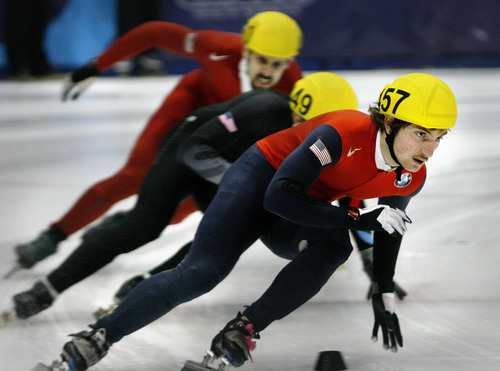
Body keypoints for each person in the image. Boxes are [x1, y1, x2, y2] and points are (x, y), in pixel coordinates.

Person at [40, 73, 457, 370]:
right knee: (201, 274)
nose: (431, 148)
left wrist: (382, 291)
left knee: (335, 246)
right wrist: (353, 213)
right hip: (259, 182)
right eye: (422, 134)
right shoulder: (341, 134)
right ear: (388, 121)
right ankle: (97, 337)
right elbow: (278, 196)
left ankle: (244, 328)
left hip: (301, 206)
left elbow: (387, 229)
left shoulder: (412, 172)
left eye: (440, 136)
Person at [13, 72, 358, 320]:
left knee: (230, 234)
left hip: (236, 171)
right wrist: (237, 184)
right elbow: (196, 147)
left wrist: (375, 265)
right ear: (296, 113)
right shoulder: (265, 109)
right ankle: (49, 288)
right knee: (143, 225)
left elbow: (350, 198)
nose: (317, 140)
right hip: (192, 147)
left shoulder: (330, 145)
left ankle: (144, 284)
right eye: (312, 127)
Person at [13, 11, 303, 269]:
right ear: (246, 49)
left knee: (178, 207)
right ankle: (52, 236)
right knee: (134, 177)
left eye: (279, 64)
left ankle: (121, 223)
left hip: (226, 133)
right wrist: (97, 65)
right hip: (190, 106)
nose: (268, 72)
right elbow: (153, 33)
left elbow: (316, 140)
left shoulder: (294, 84)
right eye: (262, 60)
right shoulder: (216, 47)